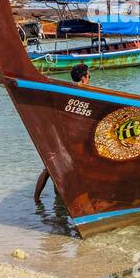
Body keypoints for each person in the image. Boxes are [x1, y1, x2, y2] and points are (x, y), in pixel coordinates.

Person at [34, 62, 92, 200]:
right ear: (84, 78)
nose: (89, 78)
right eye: (89, 75)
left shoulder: (67, 91)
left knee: (50, 168)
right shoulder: (86, 93)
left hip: (58, 133)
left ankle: (39, 200)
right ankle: (58, 198)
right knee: (54, 168)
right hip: (70, 137)